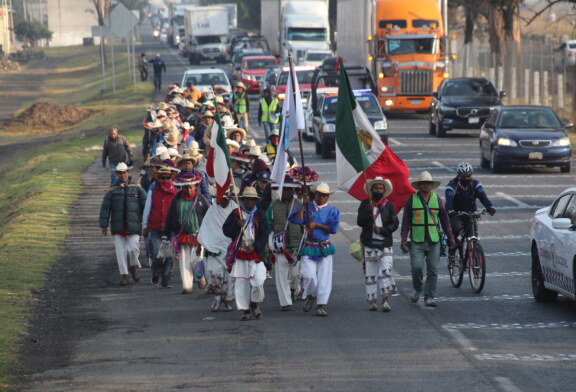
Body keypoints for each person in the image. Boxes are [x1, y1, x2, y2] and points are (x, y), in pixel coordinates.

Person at [400, 171, 455, 307]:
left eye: (428, 183)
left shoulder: (438, 199)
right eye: (423, 183)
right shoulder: (411, 200)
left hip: (434, 240)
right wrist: (403, 238)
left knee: (433, 269)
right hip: (416, 240)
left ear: (431, 185)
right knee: (417, 267)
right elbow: (406, 221)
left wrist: (451, 237)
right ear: (419, 185)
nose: (425, 185)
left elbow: (445, 220)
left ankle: (429, 296)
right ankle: (418, 288)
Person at [289, 182, 340, 317]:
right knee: (308, 274)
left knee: (325, 277)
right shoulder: (307, 207)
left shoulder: (332, 210)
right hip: (308, 244)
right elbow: (296, 219)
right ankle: (311, 294)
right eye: (319, 195)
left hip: (324, 245)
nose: (322, 198)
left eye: (325, 196)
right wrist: (303, 205)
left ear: (328, 197)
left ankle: (321, 305)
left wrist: (316, 225)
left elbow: (333, 229)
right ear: (315, 194)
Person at [223, 186, 270, 321]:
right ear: (242, 200)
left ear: (255, 201)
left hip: (255, 252)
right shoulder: (235, 213)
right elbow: (226, 231)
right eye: (247, 200)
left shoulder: (260, 215)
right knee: (242, 283)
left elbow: (264, 234)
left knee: (258, 281)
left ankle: (254, 303)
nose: (249, 202)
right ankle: (245, 310)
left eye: (252, 200)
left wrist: (255, 246)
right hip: (241, 252)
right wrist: (237, 225)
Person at [99, 163, 147, 286]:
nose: (123, 175)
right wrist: (103, 225)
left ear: (128, 173)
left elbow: (146, 205)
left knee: (134, 248)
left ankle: (133, 266)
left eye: (125, 172)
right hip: (118, 226)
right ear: (116, 174)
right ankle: (124, 275)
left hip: (134, 225)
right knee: (120, 252)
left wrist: (147, 222)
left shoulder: (136, 187)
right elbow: (105, 208)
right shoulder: (112, 190)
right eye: (120, 173)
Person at [163, 171, 210, 294]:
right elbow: (169, 217)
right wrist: (166, 233)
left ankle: (200, 276)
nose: (188, 190)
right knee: (184, 260)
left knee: (196, 259)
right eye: (186, 187)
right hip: (182, 235)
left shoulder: (201, 199)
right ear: (182, 187)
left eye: (191, 187)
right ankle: (187, 286)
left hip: (198, 235)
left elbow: (209, 215)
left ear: (195, 186)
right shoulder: (177, 200)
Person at [356, 177, 399, 312]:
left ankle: (385, 300)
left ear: (384, 191)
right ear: (371, 190)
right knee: (371, 274)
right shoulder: (365, 204)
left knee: (385, 271)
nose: (378, 190)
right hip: (369, 244)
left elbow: (395, 224)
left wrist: (382, 230)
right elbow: (360, 222)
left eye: (380, 188)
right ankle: (372, 301)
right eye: (376, 188)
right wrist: (368, 211)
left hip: (385, 244)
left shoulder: (389, 205)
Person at [445, 162, 496, 264]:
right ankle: (452, 250)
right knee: (456, 228)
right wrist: (450, 210)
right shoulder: (451, 185)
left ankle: (476, 260)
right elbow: (449, 199)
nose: (467, 179)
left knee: (474, 234)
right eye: (464, 177)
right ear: (459, 176)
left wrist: (489, 206)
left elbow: (482, 196)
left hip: (471, 213)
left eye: (469, 176)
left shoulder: (476, 184)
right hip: (456, 213)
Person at [198, 187, 238, 312]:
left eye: (226, 197)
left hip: (230, 248)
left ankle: (227, 300)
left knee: (229, 277)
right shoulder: (212, 210)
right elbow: (205, 228)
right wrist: (201, 245)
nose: (224, 200)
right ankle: (217, 298)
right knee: (214, 273)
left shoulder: (236, 209)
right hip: (214, 248)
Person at [267, 175, 303, 311]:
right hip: (279, 246)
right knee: (281, 274)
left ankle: (294, 289)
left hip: (296, 246)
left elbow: (304, 225)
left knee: (295, 274)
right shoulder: (273, 205)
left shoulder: (299, 205)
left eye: (289, 189)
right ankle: (285, 302)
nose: (286, 192)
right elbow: (268, 225)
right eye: (284, 189)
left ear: (293, 190)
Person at [142, 167, 180, 288]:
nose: (165, 179)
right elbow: (147, 208)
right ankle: (156, 272)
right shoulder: (153, 191)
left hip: (170, 229)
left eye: (167, 177)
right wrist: (144, 225)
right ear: (159, 179)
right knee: (158, 252)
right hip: (155, 227)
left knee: (169, 255)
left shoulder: (176, 192)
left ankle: (166, 280)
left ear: (171, 178)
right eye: (162, 177)